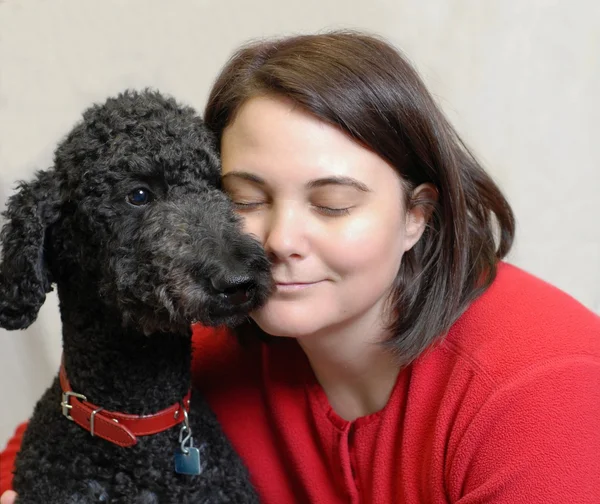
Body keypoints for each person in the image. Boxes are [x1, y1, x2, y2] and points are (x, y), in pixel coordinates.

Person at [2, 31, 599, 504]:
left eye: (332, 203)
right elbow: (62, 434)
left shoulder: (545, 395)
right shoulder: (208, 347)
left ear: (416, 215)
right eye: (245, 199)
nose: (281, 240)